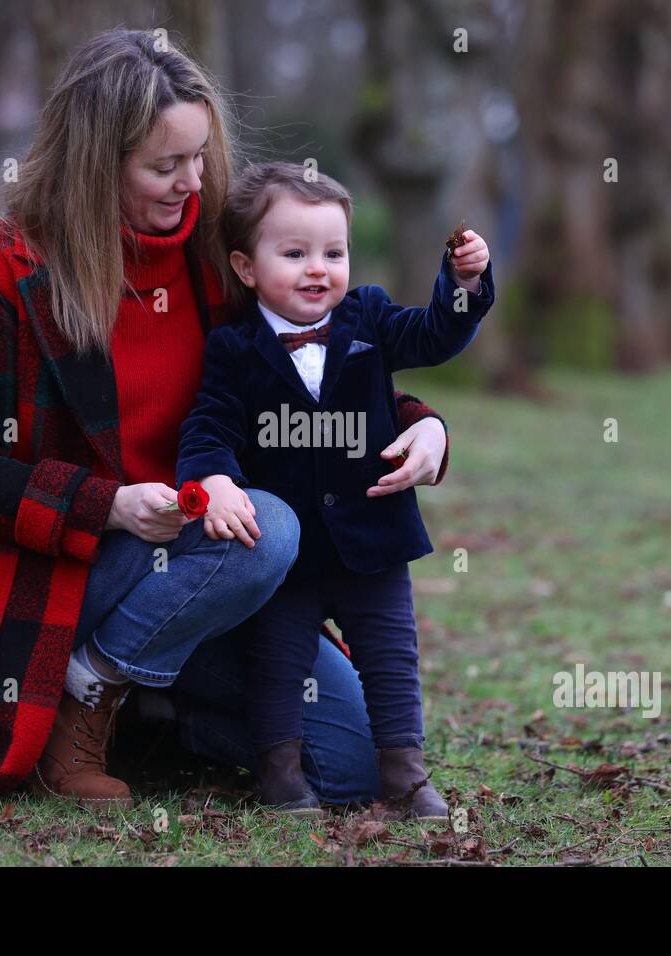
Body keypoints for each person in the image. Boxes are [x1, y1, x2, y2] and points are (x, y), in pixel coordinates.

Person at [0, 29, 456, 807]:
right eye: (165, 167)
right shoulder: (0, 280)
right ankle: (80, 694)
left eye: (199, 158)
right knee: (270, 529)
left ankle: (149, 710)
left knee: (357, 767)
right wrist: (112, 506)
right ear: (96, 165)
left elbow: (321, 372)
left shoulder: (219, 261)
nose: (192, 184)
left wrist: (426, 422)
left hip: (215, 574)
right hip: (73, 576)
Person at [176, 163, 494, 818]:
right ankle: (281, 773)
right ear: (245, 267)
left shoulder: (368, 318)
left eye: (333, 252)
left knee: (390, 659)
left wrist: (463, 284)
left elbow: (434, 335)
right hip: (285, 554)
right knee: (277, 665)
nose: (317, 268)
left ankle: (406, 774)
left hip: (373, 538)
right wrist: (214, 482)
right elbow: (209, 426)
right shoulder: (234, 349)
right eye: (294, 254)